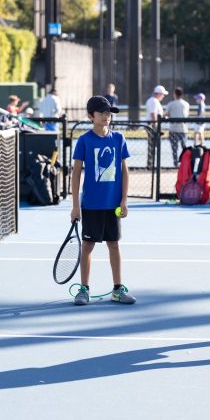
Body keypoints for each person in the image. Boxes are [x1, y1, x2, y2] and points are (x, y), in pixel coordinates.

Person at [70, 96, 135, 306]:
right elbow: (76, 174)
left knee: (114, 245)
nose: (107, 116)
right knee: (88, 246)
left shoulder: (118, 139)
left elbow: (124, 172)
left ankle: (117, 289)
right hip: (90, 205)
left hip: (113, 205)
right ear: (91, 116)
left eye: (109, 113)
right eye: (102, 113)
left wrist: (124, 200)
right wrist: (75, 207)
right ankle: (84, 290)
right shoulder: (84, 141)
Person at [164, 87, 190, 167]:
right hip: (183, 129)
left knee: (174, 149)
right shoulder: (186, 104)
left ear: (175, 94)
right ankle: (184, 164)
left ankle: (175, 164)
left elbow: (166, 114)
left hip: (173, 129)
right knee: (184, 148)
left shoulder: (171, 104)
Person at [144, 85, 169, 167]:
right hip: (152, 125)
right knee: (152, 145)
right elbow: (153, 114)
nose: (163, 96)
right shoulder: (153, 101)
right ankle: (151, 164)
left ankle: (152, 164)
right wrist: (155, 127)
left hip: (153, 124)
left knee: (153, 145)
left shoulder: (154, 101)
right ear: (158, 94)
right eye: (162, 94)